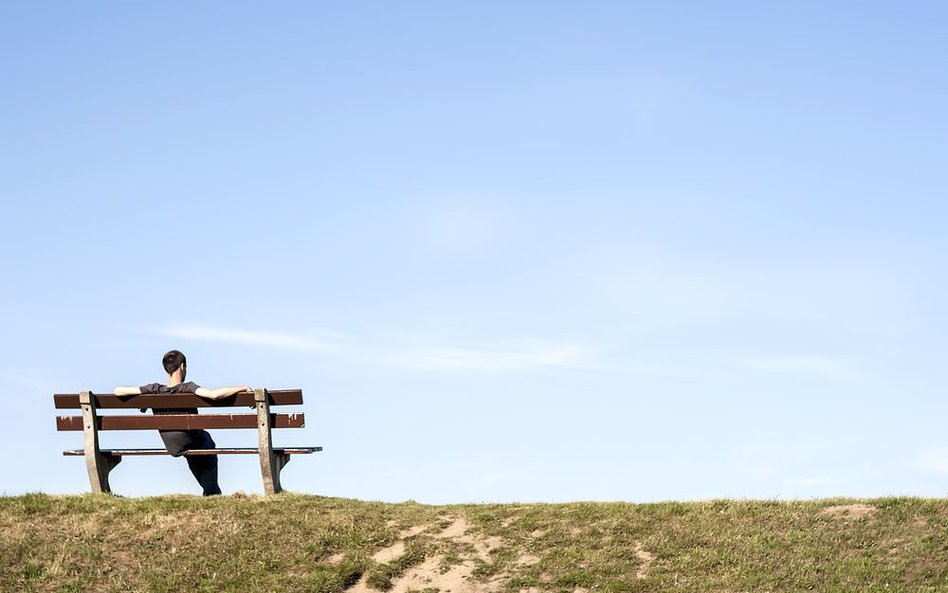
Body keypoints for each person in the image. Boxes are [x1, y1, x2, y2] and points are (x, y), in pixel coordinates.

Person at [114, 350, 251, 496]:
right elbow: (214, 395)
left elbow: (118, 391)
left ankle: (211, 491)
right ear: (182, 366)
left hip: (173, 445)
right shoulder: (188, 387)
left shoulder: (154, 389)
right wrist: (243, 387)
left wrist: (143, 394)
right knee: (206, 442)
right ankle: (212, 492)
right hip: (191, 439)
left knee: (195, 451)